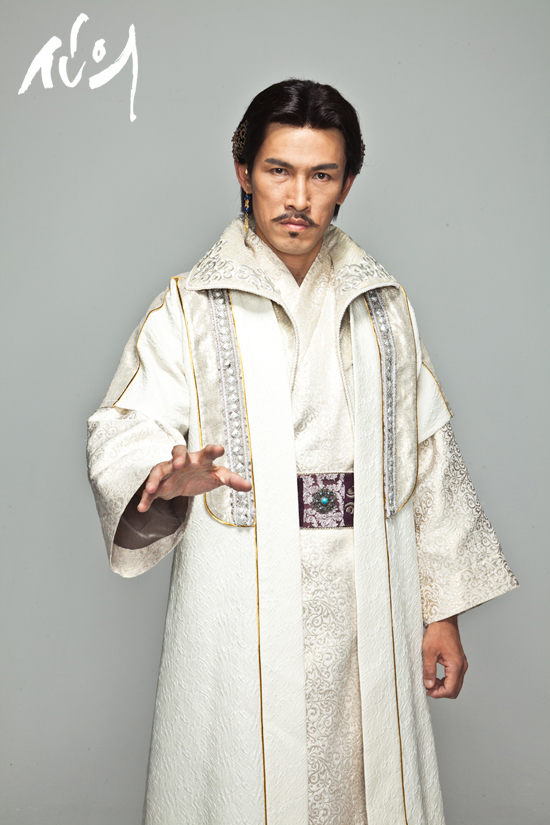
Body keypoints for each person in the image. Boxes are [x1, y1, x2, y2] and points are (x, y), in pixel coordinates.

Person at [87, 79, 518, 825]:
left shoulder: (384, 305)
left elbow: (428, 455)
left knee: (365, 782)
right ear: (243, 172)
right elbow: (123, 424)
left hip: (368, 594)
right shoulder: (193, 305)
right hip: (241, 601)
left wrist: (441, 613)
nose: (298, 197)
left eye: (322, 175)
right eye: (278, 170)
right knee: (247, 782)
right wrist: (164, 471)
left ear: (347, 183)